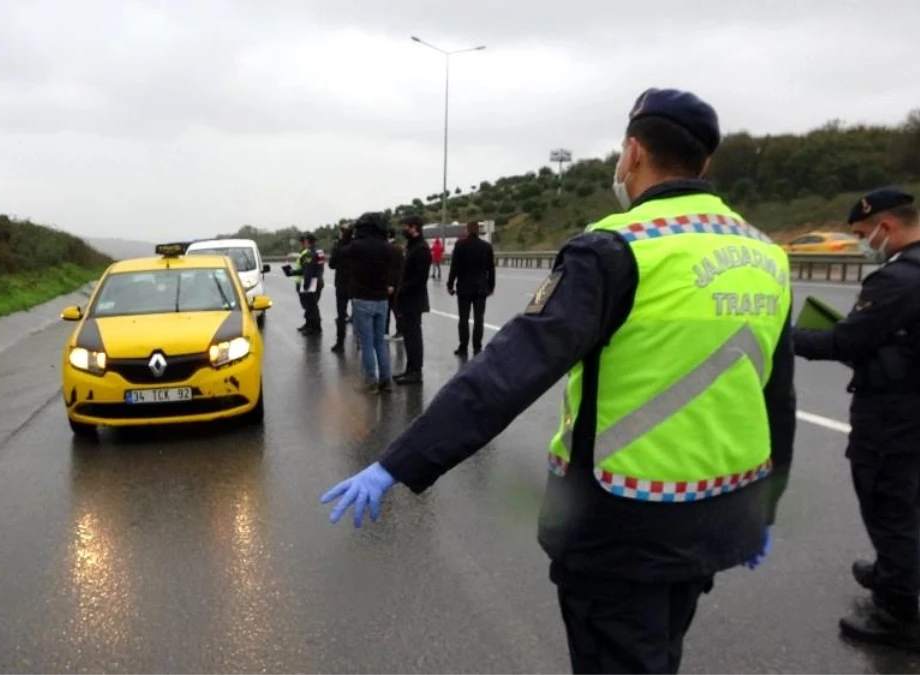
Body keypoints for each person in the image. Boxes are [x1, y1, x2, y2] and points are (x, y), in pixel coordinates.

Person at [320, 87, 797, 674]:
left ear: (634, 151)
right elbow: (777, 395)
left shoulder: (619, 250)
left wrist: (397, 461)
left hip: (621, 522)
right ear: (705, 164)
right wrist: (763, 506)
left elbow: (506, 374)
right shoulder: (764, 254)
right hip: (717, 512)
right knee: (660, 652)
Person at [794, 186, 920, 651]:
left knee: (888, 506)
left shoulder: (897, 279)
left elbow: (846, 342)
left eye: (863, 233)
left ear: (886, 227)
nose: (862, 242)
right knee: (907, 501)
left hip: (894, 415)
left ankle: (900, 612)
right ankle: (892, 573)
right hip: (911, 409)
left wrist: (785, 337)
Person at [347, 212, 398, 392]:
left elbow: (338, 258)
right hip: (382, 299)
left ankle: (371, 381)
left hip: (362, 299)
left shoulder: (357, 246)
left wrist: (345, 235)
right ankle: (386, 379)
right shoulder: (387, 248)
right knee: (380, 342)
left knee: (366, 343)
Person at [393, 214, 432, 385]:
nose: (404, 229)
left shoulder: (421, 248)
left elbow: (420, 278)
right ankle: (410, 369)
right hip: (407, 299)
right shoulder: (413, 246)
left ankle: (415, 372)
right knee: (409, 337)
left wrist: (403, 289)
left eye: (406, 226)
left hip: (413, 300)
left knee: (414, 337)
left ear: (415, 227)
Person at [446, 221, 495, 356]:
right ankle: (477, 346)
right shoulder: (486, 247)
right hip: (480, 288)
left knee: (463, 319)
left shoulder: (460, 245)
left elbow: (454, 267)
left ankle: (463, 346)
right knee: (479, 318)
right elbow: (491, 269)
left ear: (467, 231)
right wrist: (491, 286)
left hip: (464, 288)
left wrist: (450, 285)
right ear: (478, 231)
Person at [283, 233, 324, 335]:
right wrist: (293, 272)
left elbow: (308, 271)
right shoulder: (319, 252)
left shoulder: (309, 254)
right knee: (313, 306)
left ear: (307, 242)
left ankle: (313, 328)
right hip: (318, 281)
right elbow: (309, 269)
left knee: (311, 307)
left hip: (312, 282)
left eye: (305, 241)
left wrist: (306, 285)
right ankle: (314, 326)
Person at [328, 222, 355, 353]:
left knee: (341, 315)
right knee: (358, 314)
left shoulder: (338, 246)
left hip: (342, 283)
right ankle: (359, 342)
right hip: (356, 282)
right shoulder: (356, 245)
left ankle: (340, 343)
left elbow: (331, 264)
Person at [385, 228, 404, 340]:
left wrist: (390, 284)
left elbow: (392, 268)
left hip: (393, 284)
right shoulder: (399, 247)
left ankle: (390, 331)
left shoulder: (391, 248)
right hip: (398, 282)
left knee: (390, 308)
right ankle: (400, 331)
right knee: (396, 308)